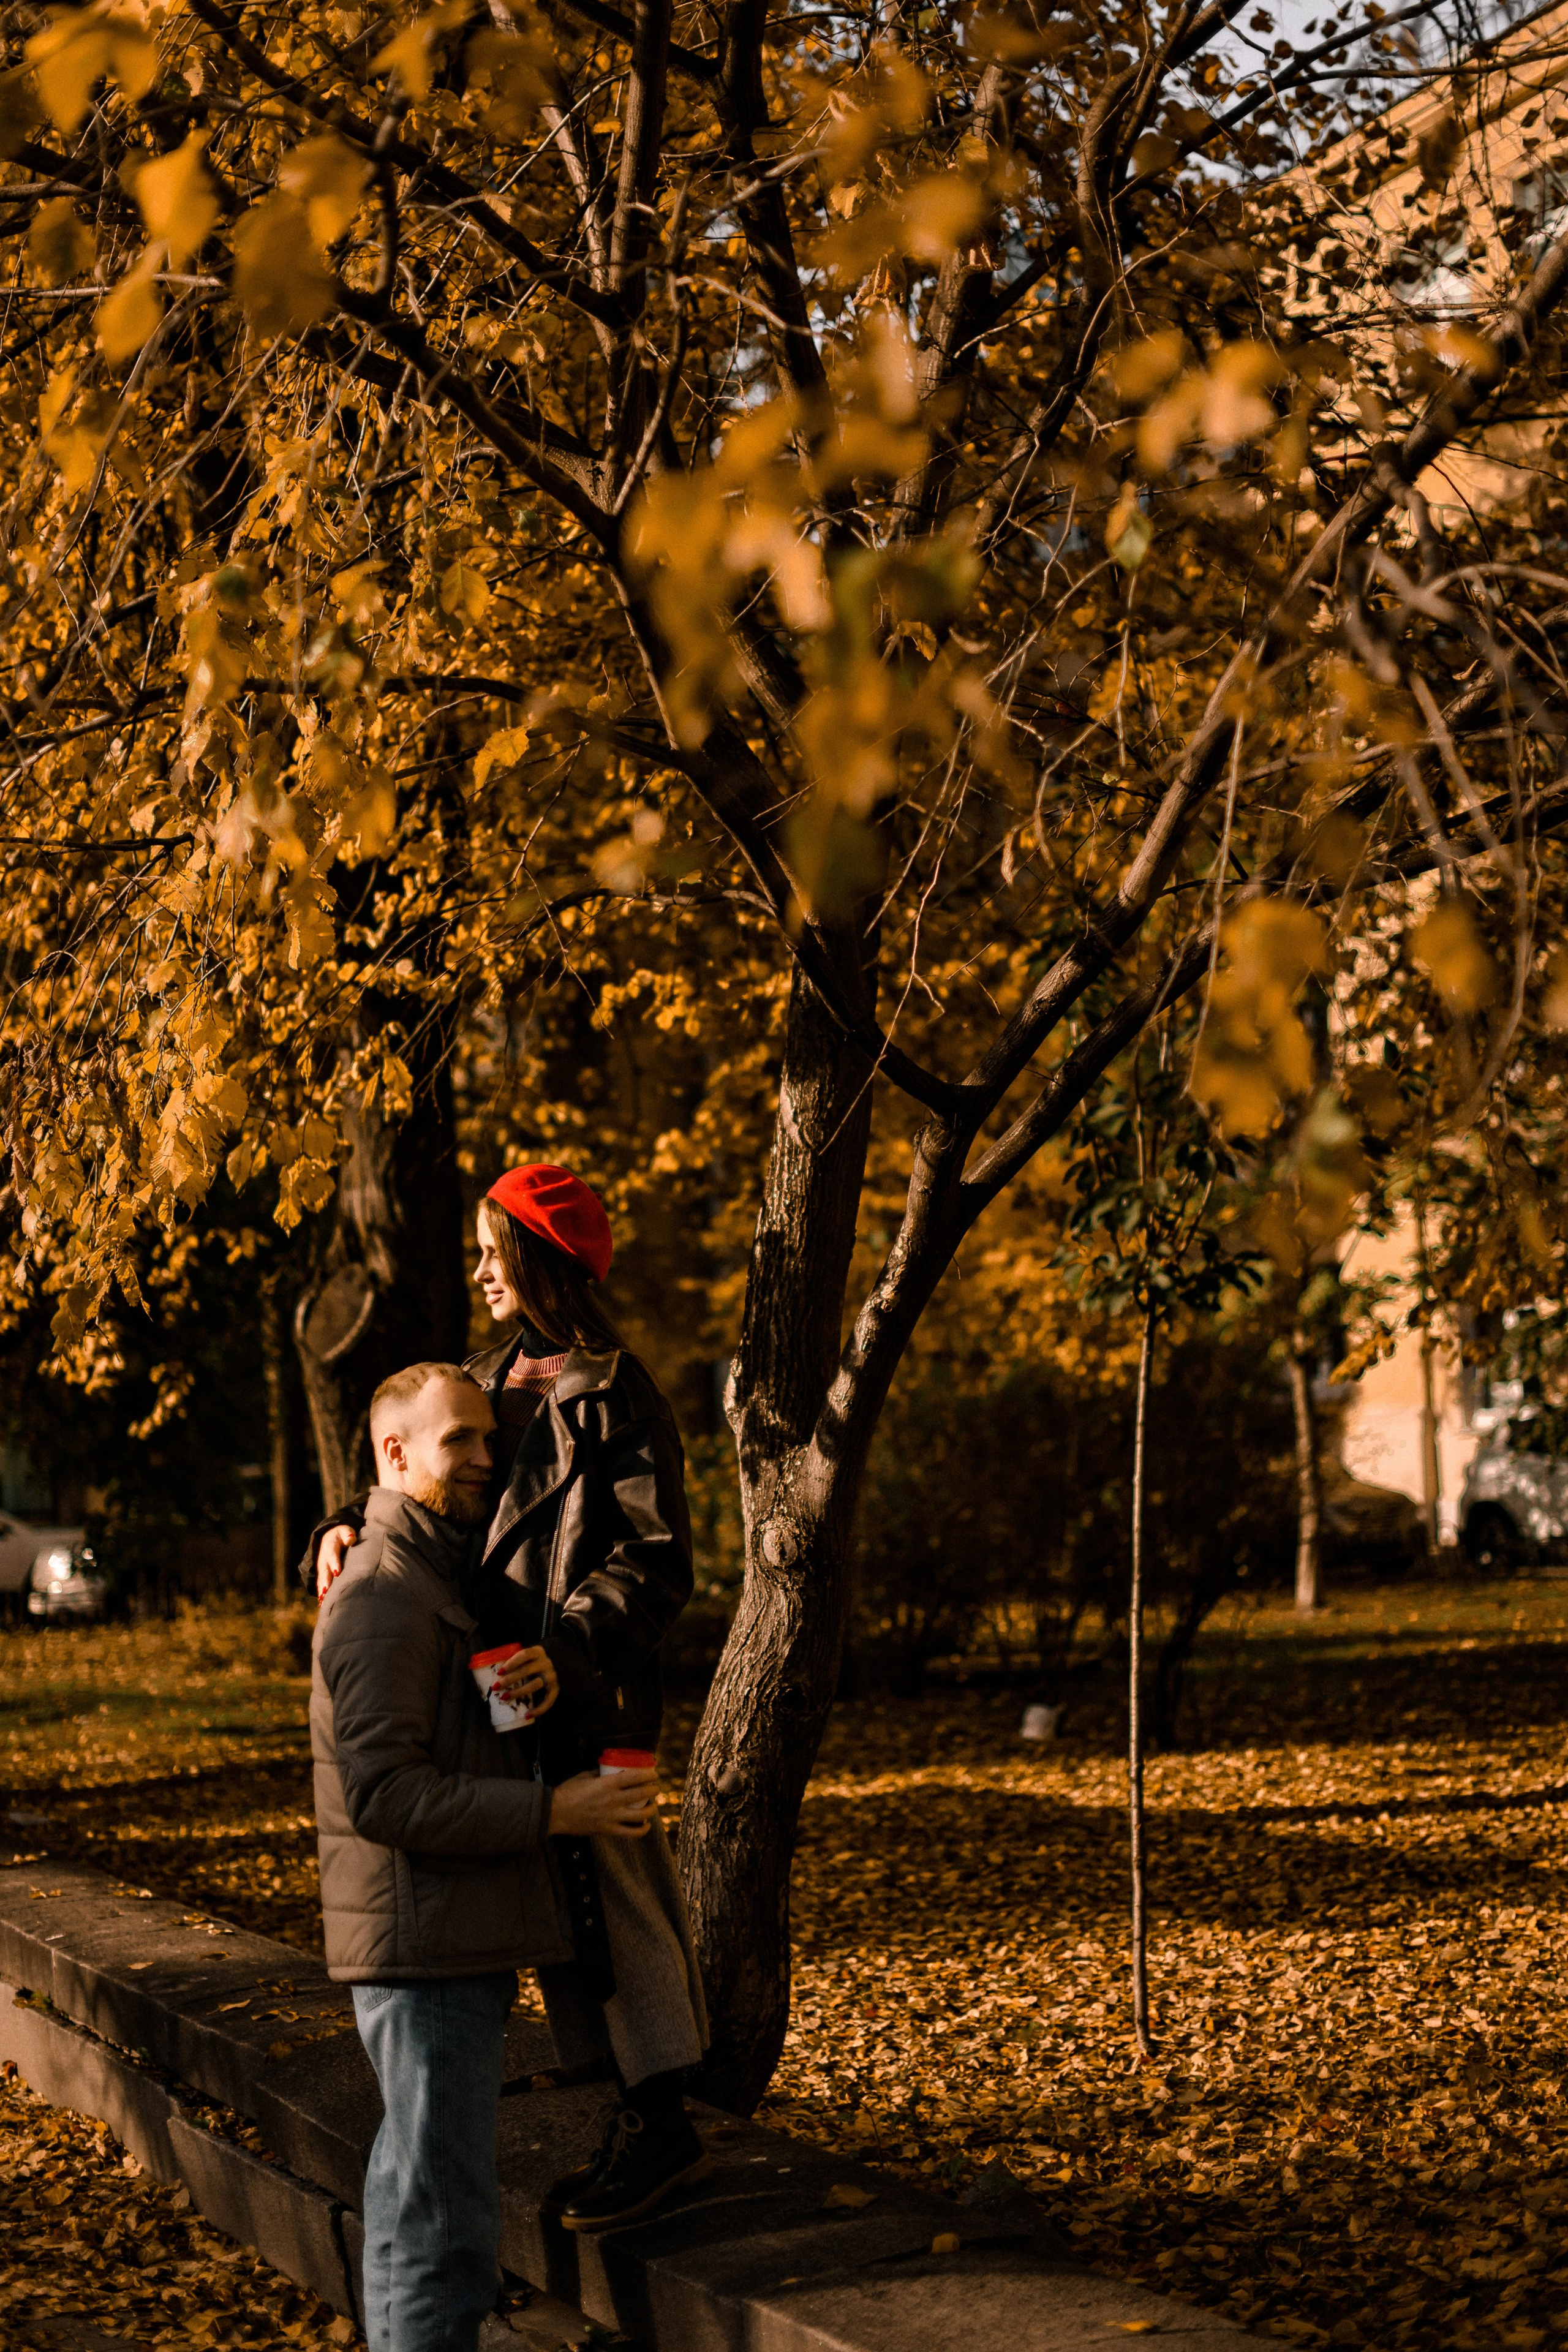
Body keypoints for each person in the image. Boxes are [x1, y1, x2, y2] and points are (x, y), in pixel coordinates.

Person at [309, 1163, 711, 2232]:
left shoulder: (618, 1391)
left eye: (496, 1248)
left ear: (544, 1255)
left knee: (618, 1897)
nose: (481, 1268)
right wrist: (340, 1525)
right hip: (492, 1687)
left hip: (591, 1693)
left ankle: (662, 2117)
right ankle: (634, 2116)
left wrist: (569, 1646)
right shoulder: (484, 1371)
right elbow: (415, 1468)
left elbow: (658, 1561)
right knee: (562, 1903)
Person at [312, 1358, 659, 2352]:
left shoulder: (427, 1574)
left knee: (433, 2210)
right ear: (394, 1454)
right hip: (425, 1949)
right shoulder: (382, 1594)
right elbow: (383, 1794)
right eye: (456, 1439)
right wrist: (556, 1811)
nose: (483, 1456)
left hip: (446, 1935)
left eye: (487, 1435)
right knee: (441, 2232)